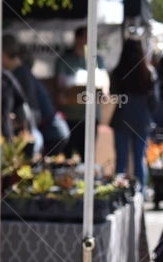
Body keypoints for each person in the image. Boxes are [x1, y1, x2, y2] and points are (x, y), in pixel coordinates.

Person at [1, 34, 69, 155]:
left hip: (51, 133)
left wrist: (13, 123)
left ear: (4, 54)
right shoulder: (21, 73)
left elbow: (32, 110)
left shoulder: (21, 75)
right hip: (52, 131)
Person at [110, 38, 158, 189]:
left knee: (121, 160)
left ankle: (119, 193)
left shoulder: (117, 72)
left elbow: (113, 93)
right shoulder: (148, 73)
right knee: (139, 159)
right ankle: (141, 194)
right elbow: (154, 102)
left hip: (122, 118)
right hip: (142, 120)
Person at [56, 26, 107, 156]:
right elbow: (60, 84)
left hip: (91, 115)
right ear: (77, 38)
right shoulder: (65, 59)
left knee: (88, 155)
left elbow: (105, 82)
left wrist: (104, 92)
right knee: (68, 155)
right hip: (71, 116)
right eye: (86, 37)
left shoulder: (98, 60)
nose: (88, 41)